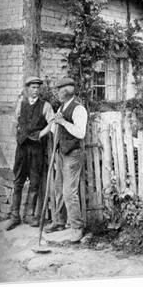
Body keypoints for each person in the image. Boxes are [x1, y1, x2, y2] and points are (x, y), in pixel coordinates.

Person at [5, 76, 54, 231]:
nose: (35, 90)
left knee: (34, 182)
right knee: (18, 181)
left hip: (36, 149)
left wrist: (41, 134)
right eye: (33, 87)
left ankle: (29, 215)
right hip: (22, 149)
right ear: (27, 89)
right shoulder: (21, 104)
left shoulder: (45, 106)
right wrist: (16, 137)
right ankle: (14, 216)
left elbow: (52, 122)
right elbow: (14, 121)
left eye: (38, 87)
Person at [45, 77, 87, 243]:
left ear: (64, 92)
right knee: (58, 188)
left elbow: (80, 133)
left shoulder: (78, 109)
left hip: (73, 154)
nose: (57, 93)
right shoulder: (62, 107)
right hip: (61, 153)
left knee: (69, 192)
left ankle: (77, 227)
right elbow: (57, 131)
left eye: (58, 90)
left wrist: (62, 122)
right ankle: (59, 222)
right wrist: (55, 123)